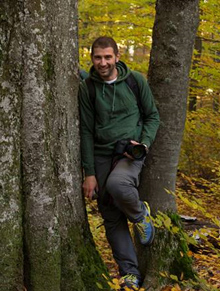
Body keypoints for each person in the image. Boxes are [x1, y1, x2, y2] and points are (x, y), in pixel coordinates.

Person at [78, 36, 160, 290]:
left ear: (117, 56)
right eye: (97, 57)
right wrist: (89, 173)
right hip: (101, 154)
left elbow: (152, 116)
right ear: (92, 58)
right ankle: (130, 274)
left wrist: (143, 144)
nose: (102, 63)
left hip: (129, 153)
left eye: (107, 57)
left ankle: (140, 215)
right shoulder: (88, 88)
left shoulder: (135, 81)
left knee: (118, 185)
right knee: (111, 216)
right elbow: (86, 132)